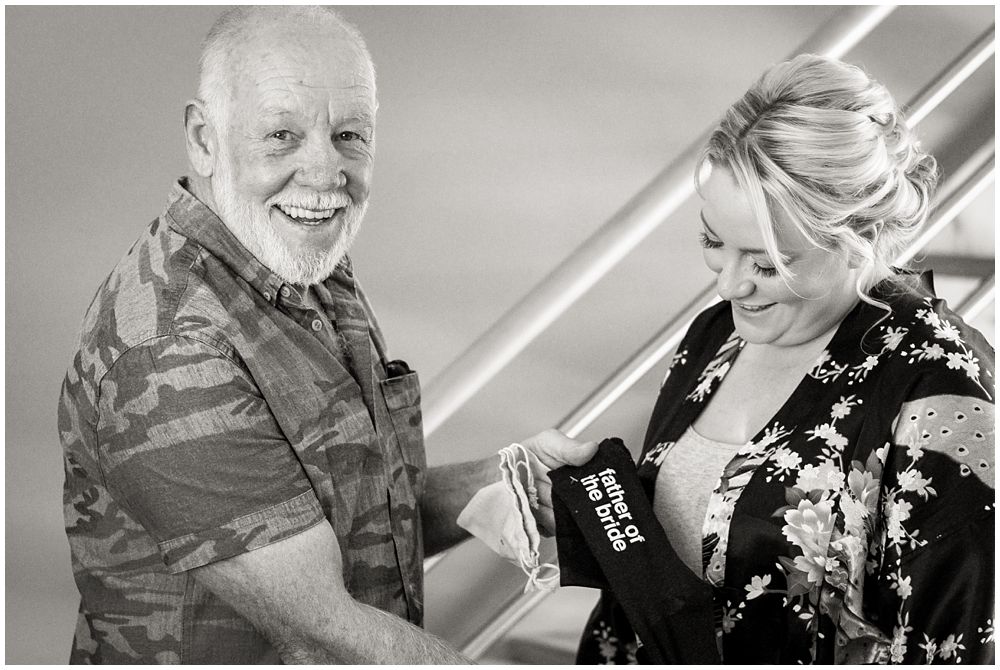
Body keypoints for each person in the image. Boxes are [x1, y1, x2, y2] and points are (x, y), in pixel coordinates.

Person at [57, 6, 594, 664]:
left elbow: (344, 512)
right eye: (281, 134)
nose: (326, 172)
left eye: (350, 135)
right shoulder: (168, 348)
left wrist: (505, 484)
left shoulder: (303, 270)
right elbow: (323, 635)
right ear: (204, 138)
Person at [566, 55, 994, 664]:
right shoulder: (716, 335)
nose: (729, 285)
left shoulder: (941, 389)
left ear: (862, 237)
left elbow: (951, 648)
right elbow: (688, 543)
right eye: (715, 243)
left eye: (767, 263)